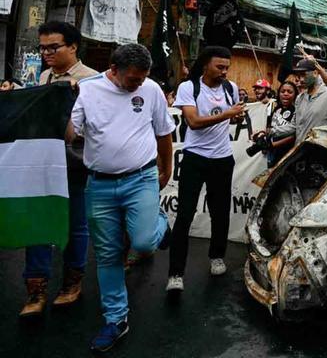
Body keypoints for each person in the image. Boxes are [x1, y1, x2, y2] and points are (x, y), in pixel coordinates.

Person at [67, 43, 174, 352]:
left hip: (140, 178)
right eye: (133, 80)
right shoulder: (87, 91)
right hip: (99, 186)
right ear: (113, 71)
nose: (138, 85)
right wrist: (63, 101)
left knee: (142, 242)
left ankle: (159, 224)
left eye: (143, 78)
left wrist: (165, 168)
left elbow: (164, 132)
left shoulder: (151, 89)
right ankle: (116, 319)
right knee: (108, 254)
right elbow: (70, 134)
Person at [19, 21, 98, 318]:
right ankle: (36, 288)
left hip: (75, 162)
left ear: (73, 46)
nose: (47, 53)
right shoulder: (43, 77)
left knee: (75, 224)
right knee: (38, 221)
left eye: (54, 47)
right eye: (43, 48)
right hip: (42, 161)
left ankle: (71, 283)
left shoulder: (93, 81)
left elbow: (97, 126)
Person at [167, 46, 244, 293]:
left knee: (220, 211)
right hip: (194, 158)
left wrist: (237, 117)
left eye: (226, 68)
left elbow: (232, 118)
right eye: (219, 67)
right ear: (205, 65)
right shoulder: (189, 88)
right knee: (185, 214)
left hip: (222, 159)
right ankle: (176, 273)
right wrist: (227, 113)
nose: (224, 72)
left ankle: (217, 256)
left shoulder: (230, 88)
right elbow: (194, 122)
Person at [254, 81, 298, 166]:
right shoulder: (276, 108)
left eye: (289, 92)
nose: (285, 94)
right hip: (272, 152)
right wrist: (264, 137)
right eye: (282, 91)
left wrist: (272, 145)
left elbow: (295, 134)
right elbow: (271, 126)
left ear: (295, 94)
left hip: (287, 153)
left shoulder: (297, 110)